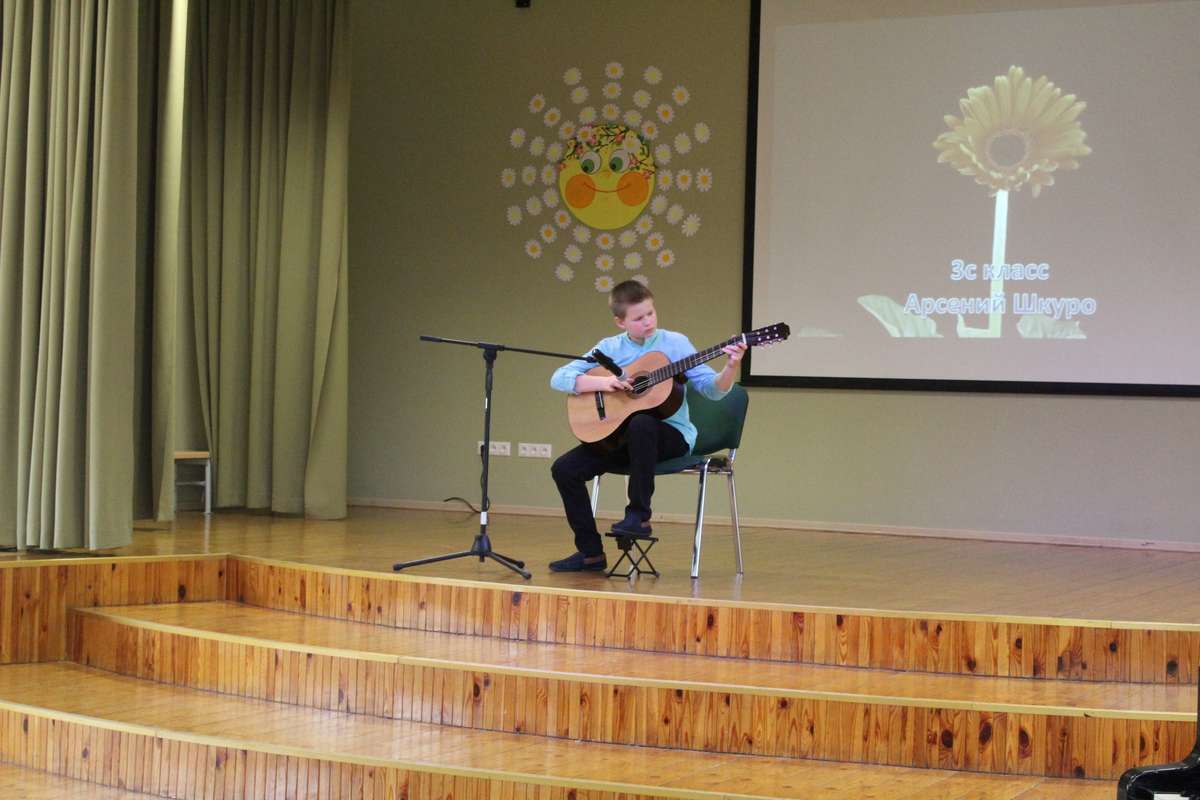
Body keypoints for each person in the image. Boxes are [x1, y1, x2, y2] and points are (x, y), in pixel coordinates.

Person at [547, 280, 746, 572]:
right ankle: (590, 553)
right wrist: (606, 382)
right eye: (639, 318)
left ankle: (638, 516)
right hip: (621, 439)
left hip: (671, 437)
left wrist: (730, 365)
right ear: (620, 322)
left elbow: (712, 390)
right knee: (564, 469)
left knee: (642, 423)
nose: (648, 322)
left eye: (650, 313)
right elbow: (559, 378)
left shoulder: (675, 343)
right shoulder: (609, 348)